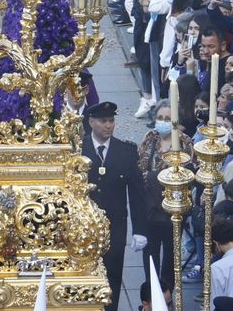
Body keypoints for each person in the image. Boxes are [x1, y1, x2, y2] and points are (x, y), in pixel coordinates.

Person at [81, 101, 147, 311]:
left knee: (113, 274)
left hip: (114, 227)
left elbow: (137, 193)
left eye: (111, 120)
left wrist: (139, 230)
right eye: (103, 121)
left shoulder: (125, 151)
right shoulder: (79, 149)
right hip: (84, 227)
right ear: (91, 122)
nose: (108, 125)